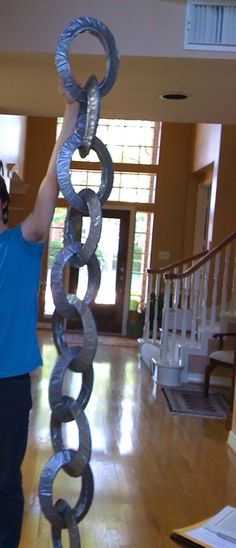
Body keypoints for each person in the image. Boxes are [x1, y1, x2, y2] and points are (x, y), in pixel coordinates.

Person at [0, 83, 79, 548]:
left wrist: (68, 113)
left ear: (3, 205)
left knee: (6, 481)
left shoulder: (22, 244)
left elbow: (50, 182)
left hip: (9, 386)